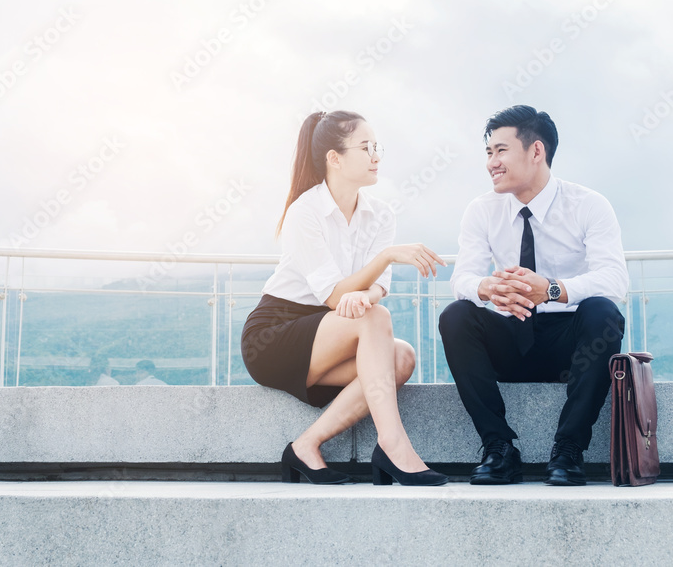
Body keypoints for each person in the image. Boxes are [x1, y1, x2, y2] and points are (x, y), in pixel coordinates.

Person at [242, 110, 448, 486]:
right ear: (334, 158)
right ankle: (392, 445)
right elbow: (335, 294)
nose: (376, 156)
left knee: (401, 357)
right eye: (366, 147)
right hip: (276, 333)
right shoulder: (304, 212)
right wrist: (384, 260)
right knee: (377, 318)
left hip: (334, 326)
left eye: (377, 146)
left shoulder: (380, 215)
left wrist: (361, 297)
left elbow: (375, 289)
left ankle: (306, 445)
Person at [438, 105, 629, 486]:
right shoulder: (482, 210)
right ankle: (498, 448)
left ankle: (569, 449)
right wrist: (486, 288)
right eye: (488, 153)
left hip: (571, 347)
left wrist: (553, 290)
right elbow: (462, 277)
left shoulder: (589, 204)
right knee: (455, 315)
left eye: (501, 151)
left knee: (603, 312)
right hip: (510, 339)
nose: (492, 162)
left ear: (536, 151)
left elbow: (615, 280)